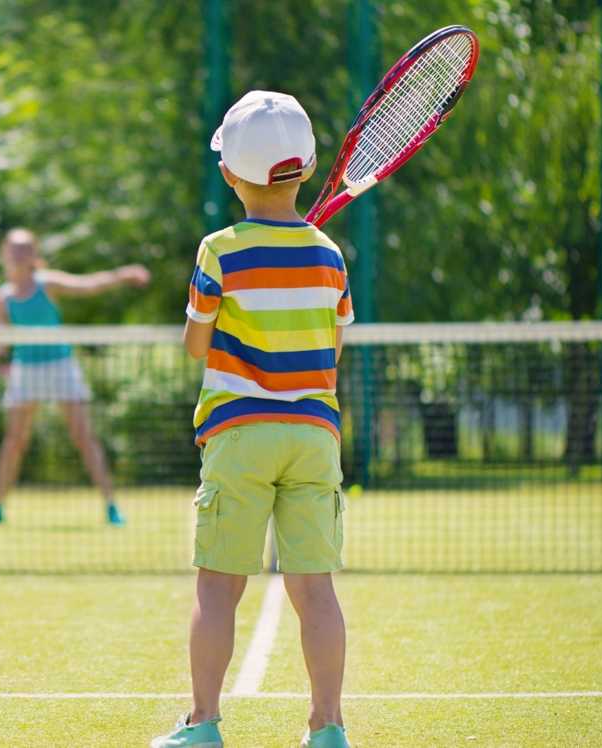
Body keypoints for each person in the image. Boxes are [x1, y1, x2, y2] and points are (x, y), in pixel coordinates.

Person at [150, 91, 355, 748]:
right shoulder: (329, 256)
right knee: (314, 589)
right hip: (313, 435)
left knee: (218, 588)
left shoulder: (219, 251)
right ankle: (328, 728)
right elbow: (334, 345)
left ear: (228, 174)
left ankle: (202, 723)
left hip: (239, 433)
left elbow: (195, 343)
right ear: (308, 167)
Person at [0, 227, 149, 527]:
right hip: (25, 370)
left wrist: (122, 275)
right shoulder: (1, 298)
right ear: (5, 253)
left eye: (25, 248)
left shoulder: (48, 283)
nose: (20, 254)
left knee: (83, 438)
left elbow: (89, 284)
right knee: (14, 442)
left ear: (34, 254)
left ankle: (110, 506)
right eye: (15, 249)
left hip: (61, 367)